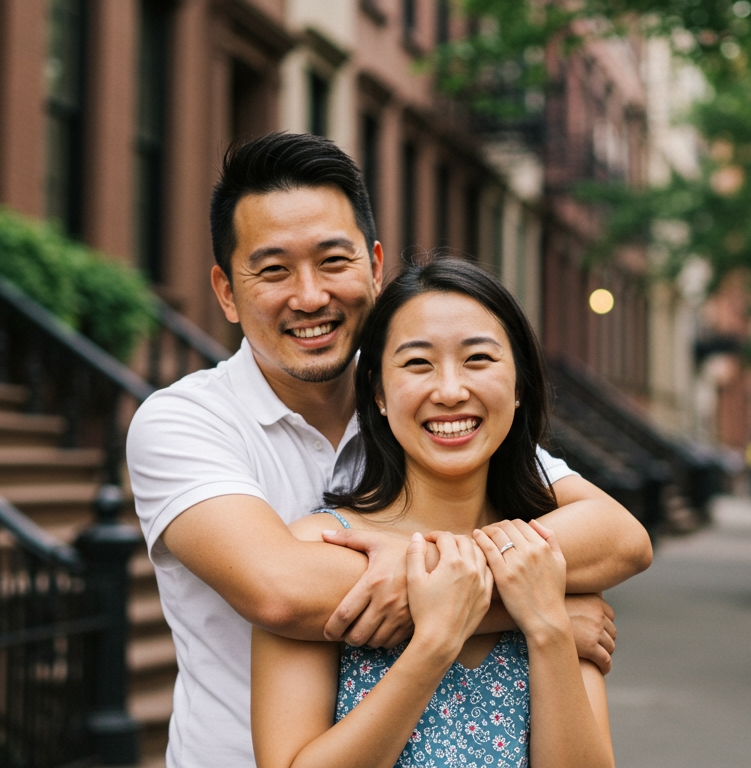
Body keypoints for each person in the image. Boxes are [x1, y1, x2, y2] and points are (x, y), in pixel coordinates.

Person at [127, 131, 651, 767]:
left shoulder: (426, 412)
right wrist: (531, 610)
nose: (311, 296)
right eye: (273, 270)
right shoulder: (186, 420)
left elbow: (619, 538)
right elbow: (282, 592)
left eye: (333, 260)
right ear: (226, 293)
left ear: (375, 267)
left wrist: (473, 585)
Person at [251, 255, 615, 768]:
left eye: (479, 360)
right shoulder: (320, 549)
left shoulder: (545, 558)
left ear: (519, 389)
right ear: (377, 392)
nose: (449, 391)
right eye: (418, 363)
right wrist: (437, 639)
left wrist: (550, 629)